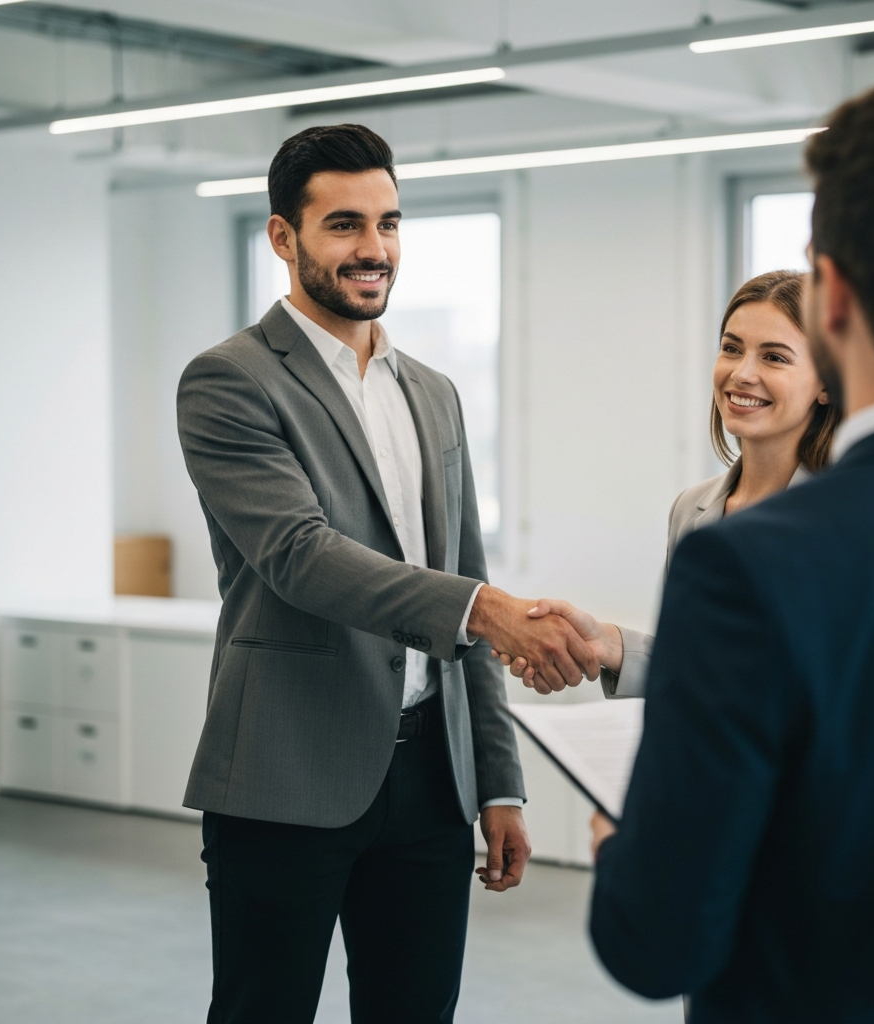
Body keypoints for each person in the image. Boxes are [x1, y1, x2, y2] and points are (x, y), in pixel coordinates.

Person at [176, 123, 599, 1024]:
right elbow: (301, 555)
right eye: (344, 225)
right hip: (286, 774)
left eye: (390, 223)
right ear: (283, 237)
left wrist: (496, 781)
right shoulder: (231, 382)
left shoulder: (433, 392)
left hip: (429, 783)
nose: (374, 249)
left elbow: (465, 573)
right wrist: (486, 610)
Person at [585, 79, 874, 1021]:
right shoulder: (719, 528)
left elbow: (659, 938)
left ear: (831, 300)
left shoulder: (757, 567)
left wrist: (628, 850)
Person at [497, 269, 840, 697]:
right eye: (731, 349)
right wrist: (607, 642)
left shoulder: (849, 518)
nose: (741, 374)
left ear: (826, 383)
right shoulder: (691, 508)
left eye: (774, 357)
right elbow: (696, 661)